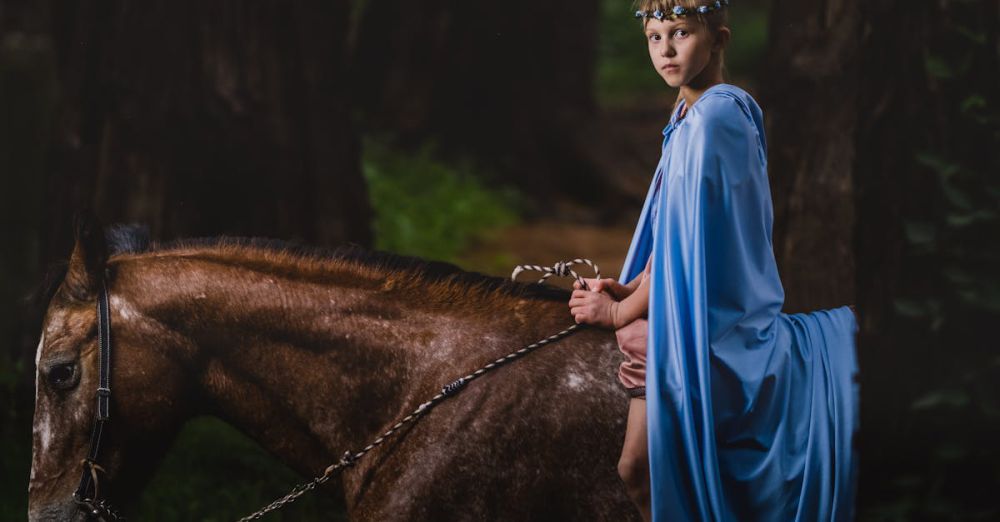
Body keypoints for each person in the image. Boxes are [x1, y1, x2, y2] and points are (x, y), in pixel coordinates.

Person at [568, 1, 860, 521]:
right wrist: (633, 283)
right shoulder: (690, 112)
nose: (666, 50)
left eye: (681, 33)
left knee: (638, 468)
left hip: (718, 315)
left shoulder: (715, 116)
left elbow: (693, 245)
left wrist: (618, 313)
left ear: (719, 38)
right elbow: (684, 233)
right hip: (695, 290)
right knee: (638, 469)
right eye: (654, 37)